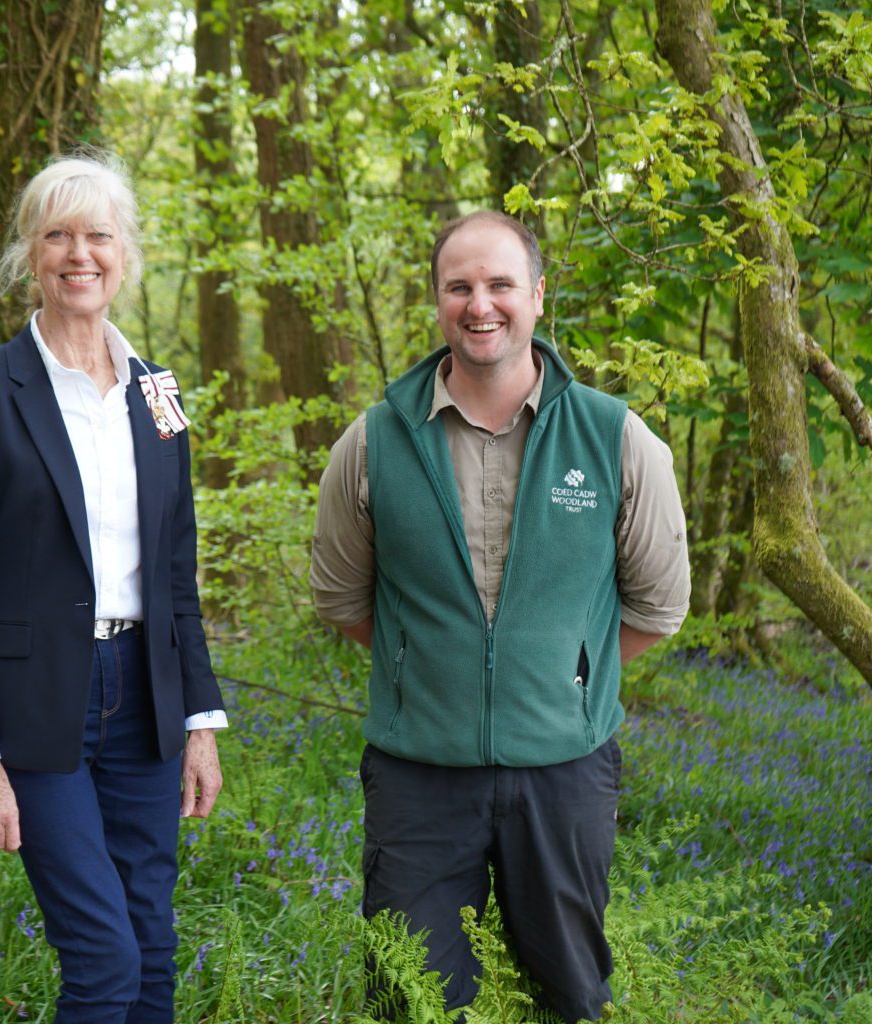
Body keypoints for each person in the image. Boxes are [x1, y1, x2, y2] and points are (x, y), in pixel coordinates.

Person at [311, 211, 689, 1022]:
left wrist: (564, 679)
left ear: (538, 296)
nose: (480, 304)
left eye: (500, 285)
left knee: (571, 996)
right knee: (411, 999)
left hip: (564, 772)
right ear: (439, 302)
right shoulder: (373, 442)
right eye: (460, 287)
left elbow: (659, 607)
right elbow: (343, 600)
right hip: (418, 776)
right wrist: (432, 675)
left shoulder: (617, 439)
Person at [0, 152, 226, 1024]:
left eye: (97, 234)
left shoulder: (160, 394)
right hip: (35, 705)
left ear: (124, 253)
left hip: (148, 705)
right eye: (57, 234)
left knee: (153, 950)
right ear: (29, 254)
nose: (78, 253)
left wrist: (200, 722)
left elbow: (176, 570)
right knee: (102, 957)